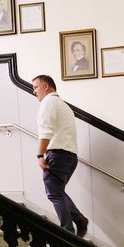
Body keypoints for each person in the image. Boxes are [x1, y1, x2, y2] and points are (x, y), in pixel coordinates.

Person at [32, 74, 89, 237]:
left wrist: (39, 156)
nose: (34, 91)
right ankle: (79, 219)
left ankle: (67, 232)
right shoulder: (64, 106)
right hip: (70, 157)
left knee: (54, 193)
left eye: (36, 87)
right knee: (58, 191)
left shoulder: (48, 102)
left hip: (57, 155)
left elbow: (46, 132)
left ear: (46, 87)